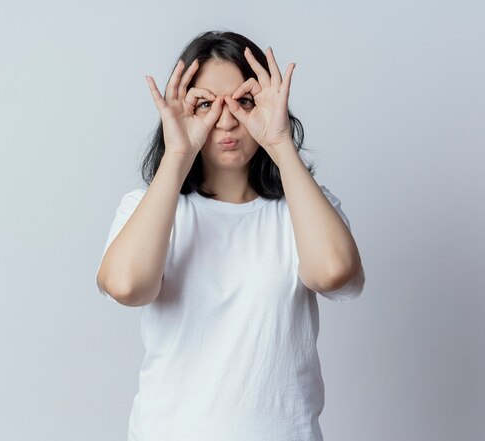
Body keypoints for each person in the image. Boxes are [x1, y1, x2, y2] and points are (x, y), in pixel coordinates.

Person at [96, 30, 365, 441]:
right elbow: (126, 285)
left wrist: (279, 143)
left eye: (244, 101)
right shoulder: (147, 207)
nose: (225, 120)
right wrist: (178, 156)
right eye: (204, 104)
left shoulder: (304, 208)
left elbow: (334, 272)